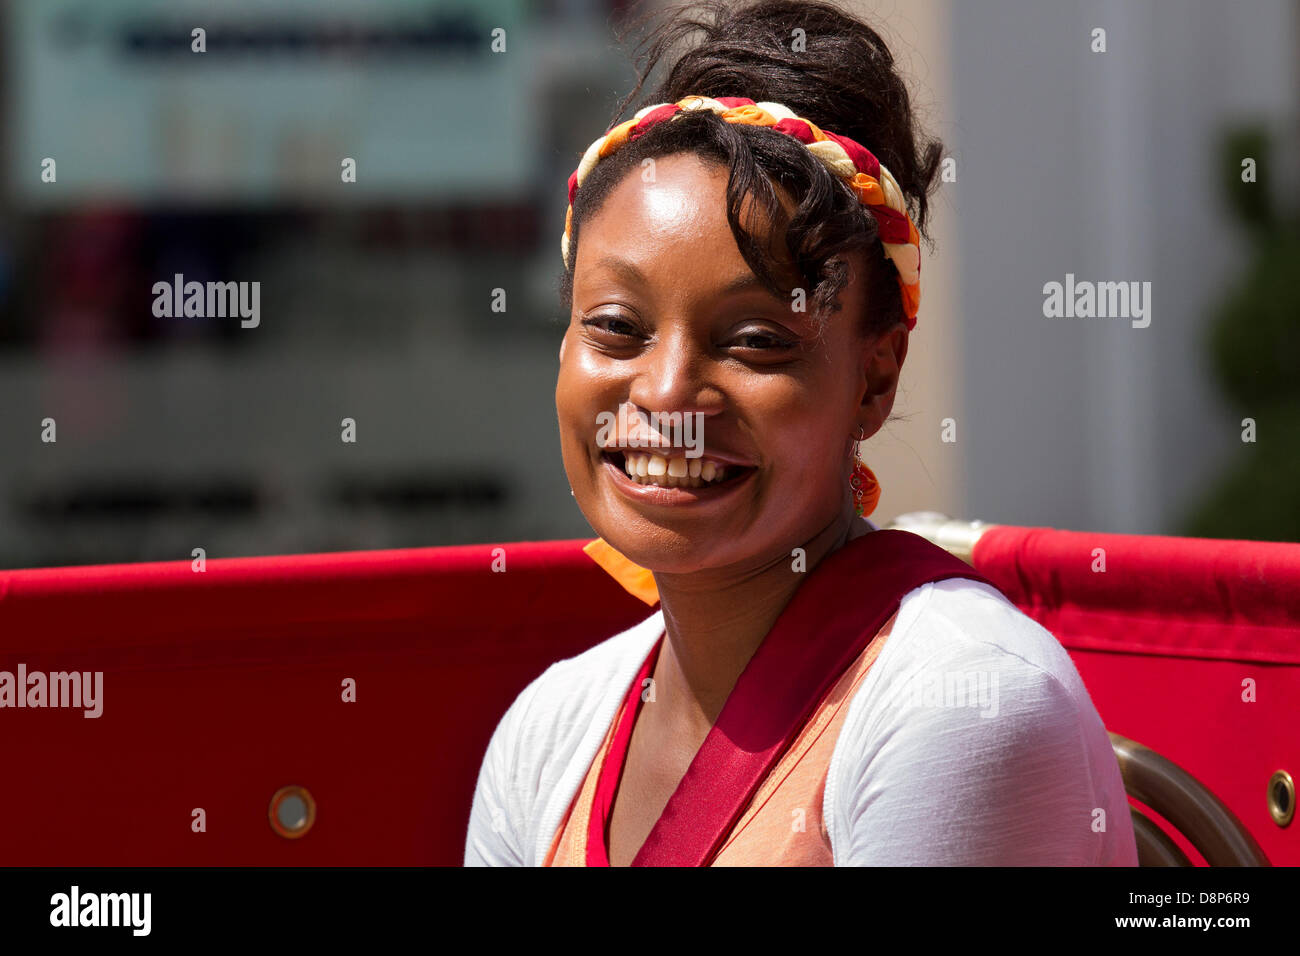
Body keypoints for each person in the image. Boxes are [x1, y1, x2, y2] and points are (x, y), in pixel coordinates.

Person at [465, 0, 1137, 866]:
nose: (666, 391)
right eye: (617, 327)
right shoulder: (549, 733)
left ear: (876, 380)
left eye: (754, 340)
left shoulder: (960, 701)